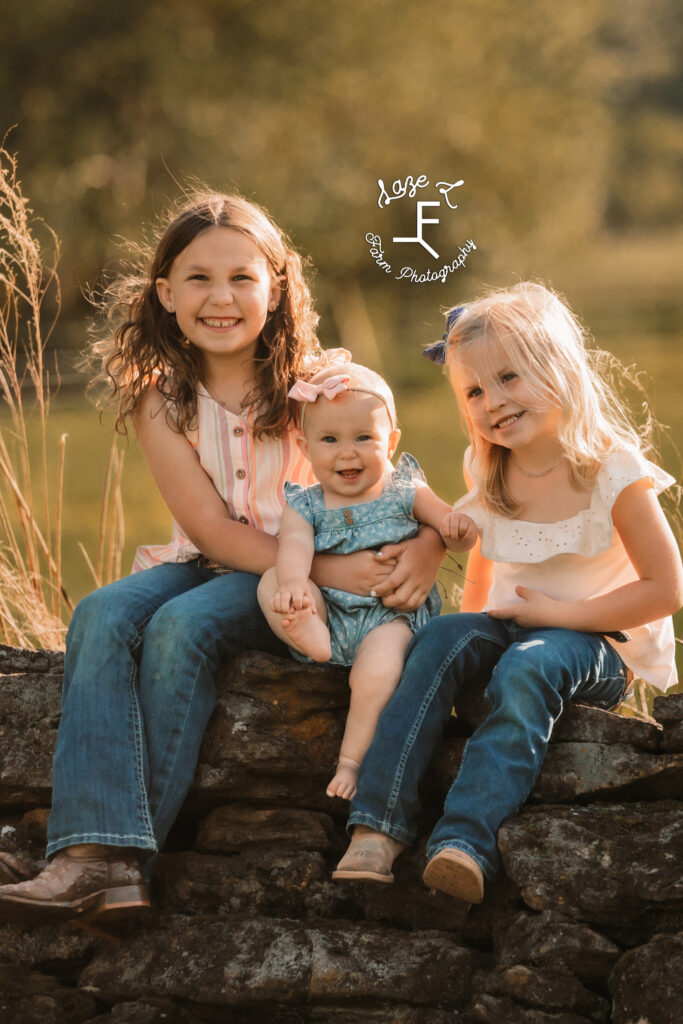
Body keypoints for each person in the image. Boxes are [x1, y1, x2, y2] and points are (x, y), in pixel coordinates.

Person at [0, 192, 445, 926]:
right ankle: (93, 857)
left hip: (305, 582)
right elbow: (208, 529)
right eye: (198, 278)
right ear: (166, 294)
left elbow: (398, 477)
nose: (221, 297)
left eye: (242, 277)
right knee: (103, 611)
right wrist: (319, 571)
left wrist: (425, 544)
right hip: (229, 560)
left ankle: (103, 861)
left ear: (276, 288)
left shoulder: (322, 382)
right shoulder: (162, 398)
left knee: (181, 629)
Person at [333, 281, 683, 900]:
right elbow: (484, 567)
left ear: (559, 368)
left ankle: (465, 839)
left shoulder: (613, 471)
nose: (492, 402)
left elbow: (666, 589)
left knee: (531, 662)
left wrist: (563, 615)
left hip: (599, 642)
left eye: (510, 379)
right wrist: (468, 637)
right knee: (441, 638)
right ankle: (376, 826)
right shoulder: (490, 465)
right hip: (516, 624)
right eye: (474, 391)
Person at [257, 359, 477, 800]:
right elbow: (294, 548)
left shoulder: (405, 491)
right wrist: (296, 585)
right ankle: (309, 634)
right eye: (330, 440)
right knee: (271, 580)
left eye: (363, 438)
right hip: (328, 611)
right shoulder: (306, 504)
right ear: (304, 446)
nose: (347, 453)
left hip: (387, 618)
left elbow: (452, 527)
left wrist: (458, 529)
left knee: (378, 670)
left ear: (390, 441)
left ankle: (351, 761)